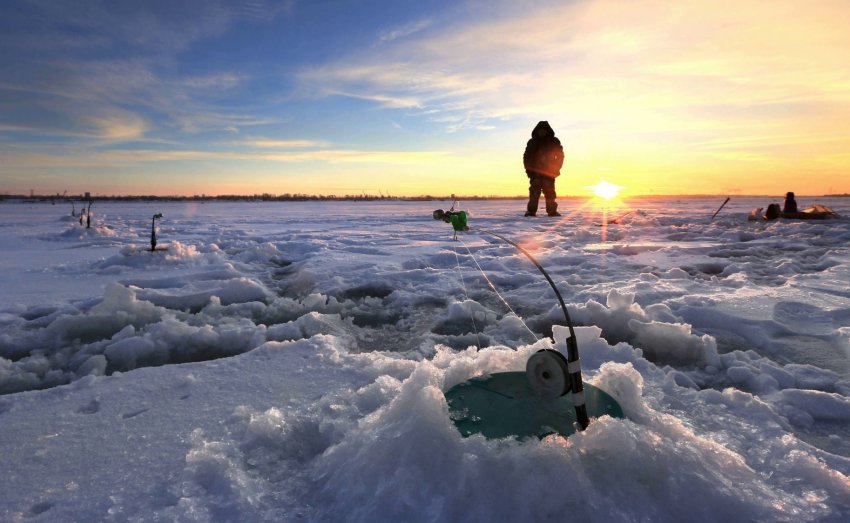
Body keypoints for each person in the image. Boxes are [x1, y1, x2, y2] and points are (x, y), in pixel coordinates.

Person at [523, 121, 564, 217]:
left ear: (547, 131)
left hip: (549, 172)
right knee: (534, 192)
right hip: (535, 172)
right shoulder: (532, 142)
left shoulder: (554, 141)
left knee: (550, 191)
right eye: (540, 130)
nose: (542, 132)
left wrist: (556, 168)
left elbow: (560, 156)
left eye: (544, 130)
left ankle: (552, 211)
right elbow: (526, 156)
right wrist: (528, 169)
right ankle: (531, 211)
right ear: (537, 131)